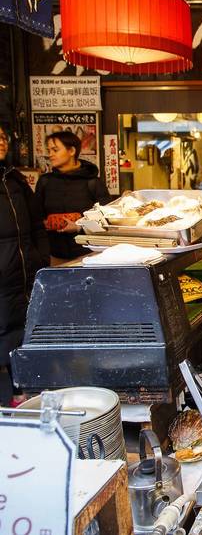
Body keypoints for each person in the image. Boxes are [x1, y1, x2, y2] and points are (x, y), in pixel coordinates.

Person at [0, 125, 49, 406]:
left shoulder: (15, 180)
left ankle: (22, 391)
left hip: (24, 271)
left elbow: (37, 223)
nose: (1, 142)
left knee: (25, 329)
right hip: (4, 271)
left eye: (4, 137)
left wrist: (40, 257)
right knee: (4, 329)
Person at [35, 130, 110, 263]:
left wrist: (79, 226)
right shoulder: (45, 181)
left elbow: (106, 219)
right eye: (49, 150)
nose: (50, 155)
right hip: (54, 255)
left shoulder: (93, 183)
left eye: (55, 150)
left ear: (71, 151)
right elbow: (36, 216)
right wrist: (44, 223)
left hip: (88, 255)